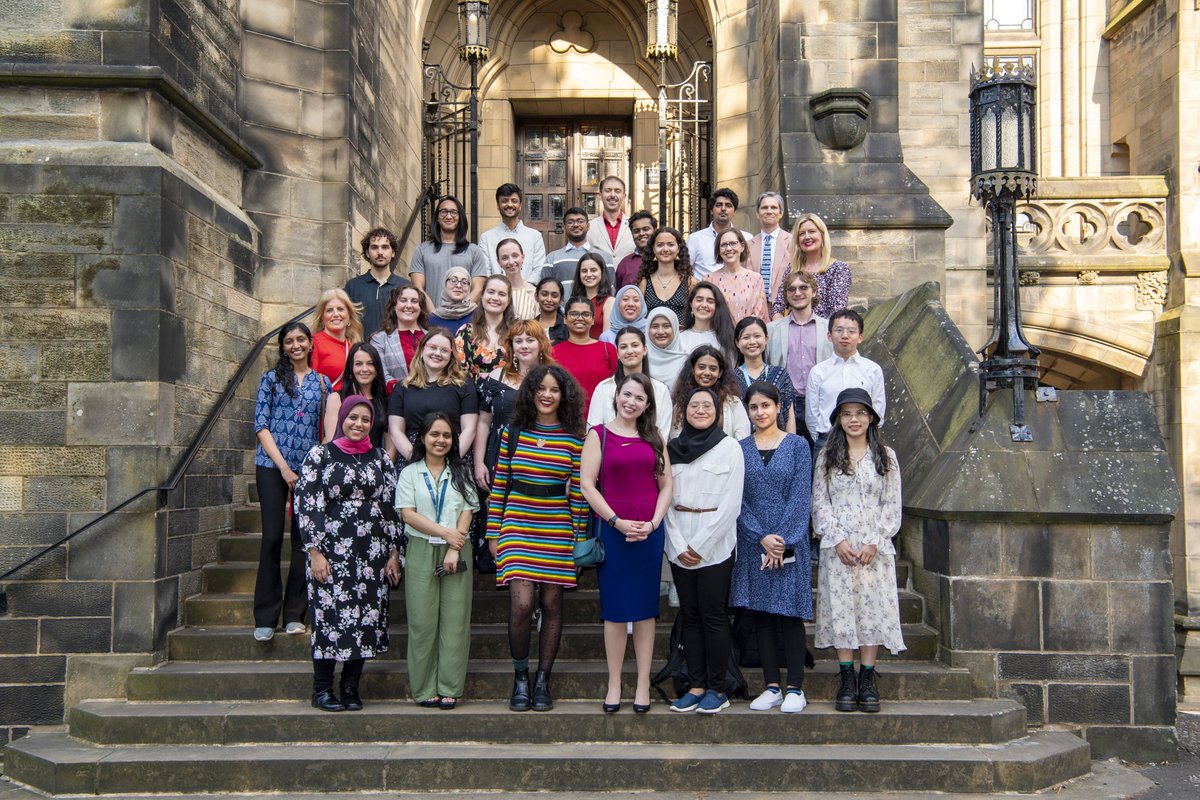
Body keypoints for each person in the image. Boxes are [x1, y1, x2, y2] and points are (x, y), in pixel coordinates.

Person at [486, 365, 589, 712]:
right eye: (540, 389)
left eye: (554, 390)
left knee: (552, 606)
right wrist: (492, 533)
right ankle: (520, 678)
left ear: (564, 396)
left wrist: (578, 538)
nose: (547, 395)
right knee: (521, 605)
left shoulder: (576, 437)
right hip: (516, 523)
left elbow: (578, 494)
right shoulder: (512, 433)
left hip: (557, 525)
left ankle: (543, 680)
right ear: (530, 393)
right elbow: (500, 484)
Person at [295, 395, 402, 712]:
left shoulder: (381, 458)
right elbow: (308, 504)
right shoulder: (321, 456)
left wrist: (394, 552)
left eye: (365, 419)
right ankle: (322, 689)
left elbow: (390, 505)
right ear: (342, 418)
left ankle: (351, 687)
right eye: (353, 417)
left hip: (371, 553)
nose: (359, 424)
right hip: (331, 550)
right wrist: (315, 551)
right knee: (329, 618)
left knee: (366, 618)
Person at [580, 373, 673, 713]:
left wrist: (652, 523)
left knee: (646, 611)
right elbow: (588, 485)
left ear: (648, 405)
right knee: (616, 612)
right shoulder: (598, 435)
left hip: (648, 532)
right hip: (614, 530)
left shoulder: (654, 438)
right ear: (616, 395)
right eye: (626, 394)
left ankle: (643, 682)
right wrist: (616, 522)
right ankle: (615, 681)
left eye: (639, 398)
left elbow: (666, 486)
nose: (631, 402)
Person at [812, 387, 905, 713]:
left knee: (871, 611)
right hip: (838, 547)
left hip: (873, 549)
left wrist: (875, 540)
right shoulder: (827, 455)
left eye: (860, 413)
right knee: (842, 610)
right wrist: (836, 539)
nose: (854, 419)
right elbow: (820, 502)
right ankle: (846, 677)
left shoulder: (885, 455)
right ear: (838, 419)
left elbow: (892, 504)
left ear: (871, 417)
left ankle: (867, 678)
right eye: (847, 413)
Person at [730, 382, 812, 713]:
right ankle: (771, 686)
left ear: (779, 407)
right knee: (761, 613)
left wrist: (782, 541)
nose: (760, 412)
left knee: (789, 613)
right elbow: (736, 498)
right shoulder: (739, 448)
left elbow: (801, 496)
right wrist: (761, 537)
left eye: (766, 405)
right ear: (747, 412)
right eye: (754, 407)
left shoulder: (798, 446)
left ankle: (795, 687)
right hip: (754, 543)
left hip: (789, 542)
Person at [664, 387, 745, 714]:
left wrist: (701, 545)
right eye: (694, 405)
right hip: (679, 542)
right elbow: (665, 499)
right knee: (691, 616)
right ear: (684, 411)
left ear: (717, 411)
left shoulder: (730, 449)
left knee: (713, 616)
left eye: (706, 405)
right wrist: (680, 545)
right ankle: (695, 685)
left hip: (716, 545)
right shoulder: (671, 449)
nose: (700, 410)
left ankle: (717, 687)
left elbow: (731, 504)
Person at [251, 322, 331, 642]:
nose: (295, 345)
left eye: (301, 340)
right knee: (272, 537)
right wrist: (284, 468)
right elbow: (261, 426)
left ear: (311, 344)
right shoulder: (270, 380)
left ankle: (295, 614)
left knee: (303, 540)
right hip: (271, 466)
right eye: (289, 341)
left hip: (308, 469)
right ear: (283, 347)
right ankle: (266, 615)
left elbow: (324, 429)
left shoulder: (323, 384)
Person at [396, 413, 479, 709]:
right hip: (421, 549)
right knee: (422, 621)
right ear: (422, 438)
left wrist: (454, 545)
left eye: (446, 435)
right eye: (434, 434)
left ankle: (449, 686)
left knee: (456, 621)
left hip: (457, 549)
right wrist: (446, 534)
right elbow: (408, 514)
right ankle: (423, 687)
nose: (440, 440)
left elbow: (468, 508)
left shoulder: (461, 471)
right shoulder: (409, 473)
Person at [474, 320, 557, 491]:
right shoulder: (496, 376)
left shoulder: (554, 378)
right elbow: (483, 422)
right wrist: (478, 463)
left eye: (530, 340)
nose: (524, 346)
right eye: (518, 341)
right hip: (497, 455)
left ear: (541, 343)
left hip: (538, 455)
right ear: (511, 347)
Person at [388, 328, 479, 464]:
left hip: (453, 459)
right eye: (433, 347)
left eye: (444, 350)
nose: (438, 353)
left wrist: (448, 461)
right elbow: (396, 430)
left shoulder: (464, 385)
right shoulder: (403, 387)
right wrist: (417, 461)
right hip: (412, 458)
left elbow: (469, 429)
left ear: (451, 355)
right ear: (422, 349)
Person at [804, 309, 886, 452]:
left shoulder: (873, 369)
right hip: (826, 441)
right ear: (829, 335)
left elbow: (878, 408)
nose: (845, 336)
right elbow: (812, 414)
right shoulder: (818, 372)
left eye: (851, 331)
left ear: (860, 337)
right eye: (839, 330)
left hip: (864, 441)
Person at [766, 270, 831, 440]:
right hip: (787, 404)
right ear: (786, 295)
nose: (798, 293)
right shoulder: (772, 330)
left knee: (820, 457)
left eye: (803, 287)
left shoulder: (829, 329)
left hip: (820, 403)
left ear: (814, 291)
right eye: (792, 289)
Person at [588, 326, 673, 441]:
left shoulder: (660, 390)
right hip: (610, 454)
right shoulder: (604, 388)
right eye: (623, 347)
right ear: (617, 353)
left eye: (635, 345)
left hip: (649, 455)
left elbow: (663, 434)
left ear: (645, 350)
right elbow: (593, 431)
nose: (629, 351)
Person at [409, 195, 489, 309]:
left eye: (454, 212)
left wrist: (460, 313)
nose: (448, 216)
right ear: (437, 217)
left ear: (460, 217)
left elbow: (478, 288)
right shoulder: (421, 250)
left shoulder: (474, 251)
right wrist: (434, 314)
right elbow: (417, 287)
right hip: (431, 319)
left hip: (464, 321)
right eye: (444, 212)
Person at [771, 212, 851, 320]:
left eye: (812, 231)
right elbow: (778, 306)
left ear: (822, 235)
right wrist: (781, 327)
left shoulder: (838, 268)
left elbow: (838, 311)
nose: (807, 237)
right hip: (793, 332)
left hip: (824, 332)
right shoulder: (792, 268)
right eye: (802, 233)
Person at [322, 342, 392, 457]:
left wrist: (382, 467)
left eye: (370, 364)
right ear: (350, 369)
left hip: (374, 467)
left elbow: (390, 446)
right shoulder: (336, 399)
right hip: (341, 464)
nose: (364, 369)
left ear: (377, 369)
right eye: (358, 364)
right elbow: (331, 440)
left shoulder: (385, 401)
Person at [552, 296, 618, 416]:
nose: (580, 318)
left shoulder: (608, 349)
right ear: (565, 319)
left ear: (593, 319)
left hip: (601, 419)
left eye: (586, 314)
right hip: (565, 420)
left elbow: (615, 386)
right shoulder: (553, 352)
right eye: (574, 314)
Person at [670, 345, 751, 439]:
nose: (707, 372)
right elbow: (675, 438)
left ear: (720, 373)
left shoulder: (733, 402)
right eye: (701, 367)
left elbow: (743, 438)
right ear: (693, 370)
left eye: (713, 368)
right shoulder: (681, 402)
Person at [344, 227, 411, 339]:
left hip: (395, 353)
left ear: (393, 252)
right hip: (361, 352)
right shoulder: (353, 286)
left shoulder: (405, 286)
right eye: (374, 247)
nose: (380, 252)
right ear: (367, 253)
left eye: (385, 247)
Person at [732, 317, 796, 433]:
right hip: (742, 445)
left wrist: (791, 446)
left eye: (757, 336)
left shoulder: (780, 374)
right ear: (737, 342)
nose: (752, 342)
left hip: (779, 445)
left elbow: (789, 416)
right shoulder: (730, 378)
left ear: (766, 339)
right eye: (746, 337)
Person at [478, 183, 546, 280]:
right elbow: (485, 272)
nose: (510, 205)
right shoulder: (486, 238)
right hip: (497, 293)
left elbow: (539, 270)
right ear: (498, 205)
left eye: (514, 201)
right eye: (504, 201)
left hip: (528, 293)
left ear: (520, 205)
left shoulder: (535, 236)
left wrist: (523, 290)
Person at [455, 274, 515, 380]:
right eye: (491, 292)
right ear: (482, 295)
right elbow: (458, 372)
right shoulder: (466, 332)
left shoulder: (516, 332)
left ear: (508, 300)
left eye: (501, 294)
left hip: (507, 394)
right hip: (471, 394)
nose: (495, 298)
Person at [543, 207, 612, 298]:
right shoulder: (552, 258)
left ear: (588, 226)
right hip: (561, 311)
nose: (575, 225)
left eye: (580, 221)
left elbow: (611, 289)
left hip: (596, 311)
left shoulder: (604, 257)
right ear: (564, 227)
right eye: (570, 222)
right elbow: (545, 290)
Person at [707, 228, 770, 324]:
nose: (728, 248)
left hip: (748, 336)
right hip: (718, 336)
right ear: (718, 250)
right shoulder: (709, 280)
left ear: (742, 246)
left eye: (733, 243)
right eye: (723, 245)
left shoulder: (755, 279)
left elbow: (760, 314)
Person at [687, 188, 750, 281]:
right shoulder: (695, 239)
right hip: (706, 293)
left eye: (728, 205)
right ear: (712, 210)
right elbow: (684, 270)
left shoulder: (747, 238)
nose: (723, 209)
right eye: (719, 205)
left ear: (734, 212)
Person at [370, 285, 427, 386]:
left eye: (414, 301)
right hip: (396, 398)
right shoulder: (380, 340)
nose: (409, 305)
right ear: (394, 306)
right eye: (403, 300)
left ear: (420, 307)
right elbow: (383, 376)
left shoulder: (431, 337)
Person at [310, 288, 363, 392]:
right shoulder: (314, 343)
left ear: (349, 315)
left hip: (352, 405)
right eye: (329, 310)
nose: (335, 314)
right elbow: (310, 384)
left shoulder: (355, 346)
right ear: (322, 317)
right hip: (328, 405)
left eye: (340, 309)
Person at [677, 281, 738, 367]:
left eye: (710, 301)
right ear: (691, 304)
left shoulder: (726, 340)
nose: (704, 305)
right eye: (699, 300)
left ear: (717, 306)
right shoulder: (679, 339)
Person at [638, 227, 694, 321]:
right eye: (660, 245)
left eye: (671, 245)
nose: (665, 249)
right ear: (653, 249)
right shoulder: (644, 282)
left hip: (682, 335)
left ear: (678, 248)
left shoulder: (689, 282)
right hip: (651, 334)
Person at [747, 192, 791, 305]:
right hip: (755, 306)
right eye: (764, 208)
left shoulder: (793, 242)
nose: (769, 211)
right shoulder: (747, 246)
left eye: (774, 208)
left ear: (781, 213)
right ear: (757, 213)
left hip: (784, 307)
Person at [587, 175, 636, 263]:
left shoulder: (635, 226)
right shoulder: (589, 228)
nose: (612, 195)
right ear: (600, 195)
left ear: (624, 196)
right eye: (608, 190)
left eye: (617, 191)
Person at [644, 307, 690, 392]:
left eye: (666, 326)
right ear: (648, 330)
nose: (661, 331)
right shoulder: (641, 359)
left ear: (675, 329)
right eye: (655, 326)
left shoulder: (686, 362)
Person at [573, 252, 615, 338]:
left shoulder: (609, 302)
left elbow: (607, 339)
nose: (588, 275)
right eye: (584, 271)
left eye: (593, 270)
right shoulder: (573, 302)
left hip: (599, 350)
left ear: (602, 272)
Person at [495, 238, 539, 320]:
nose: (511, 262)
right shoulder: (494, 294)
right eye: (505, 258)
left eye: (515, 256)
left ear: (523, 257)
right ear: (499, 262)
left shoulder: (534, 293)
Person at [428, 267, 478, 336]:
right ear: (445, 284)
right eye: (454, 280)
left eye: (464, 282)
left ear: (469, 287)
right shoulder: (433, 318)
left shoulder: (478, 314)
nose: (458, 285)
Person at [614, 210, 656, 289]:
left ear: (655, 230)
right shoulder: (624, 264)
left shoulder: (665, 260)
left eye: (646, 229)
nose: (641, 233)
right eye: (636, 231)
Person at [534, 276, 569, 344]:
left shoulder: (568, 326)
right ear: (536, 296)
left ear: (561, 299)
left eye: (554, 295)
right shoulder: (530, 326)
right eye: (544, 294)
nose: (549, 299)